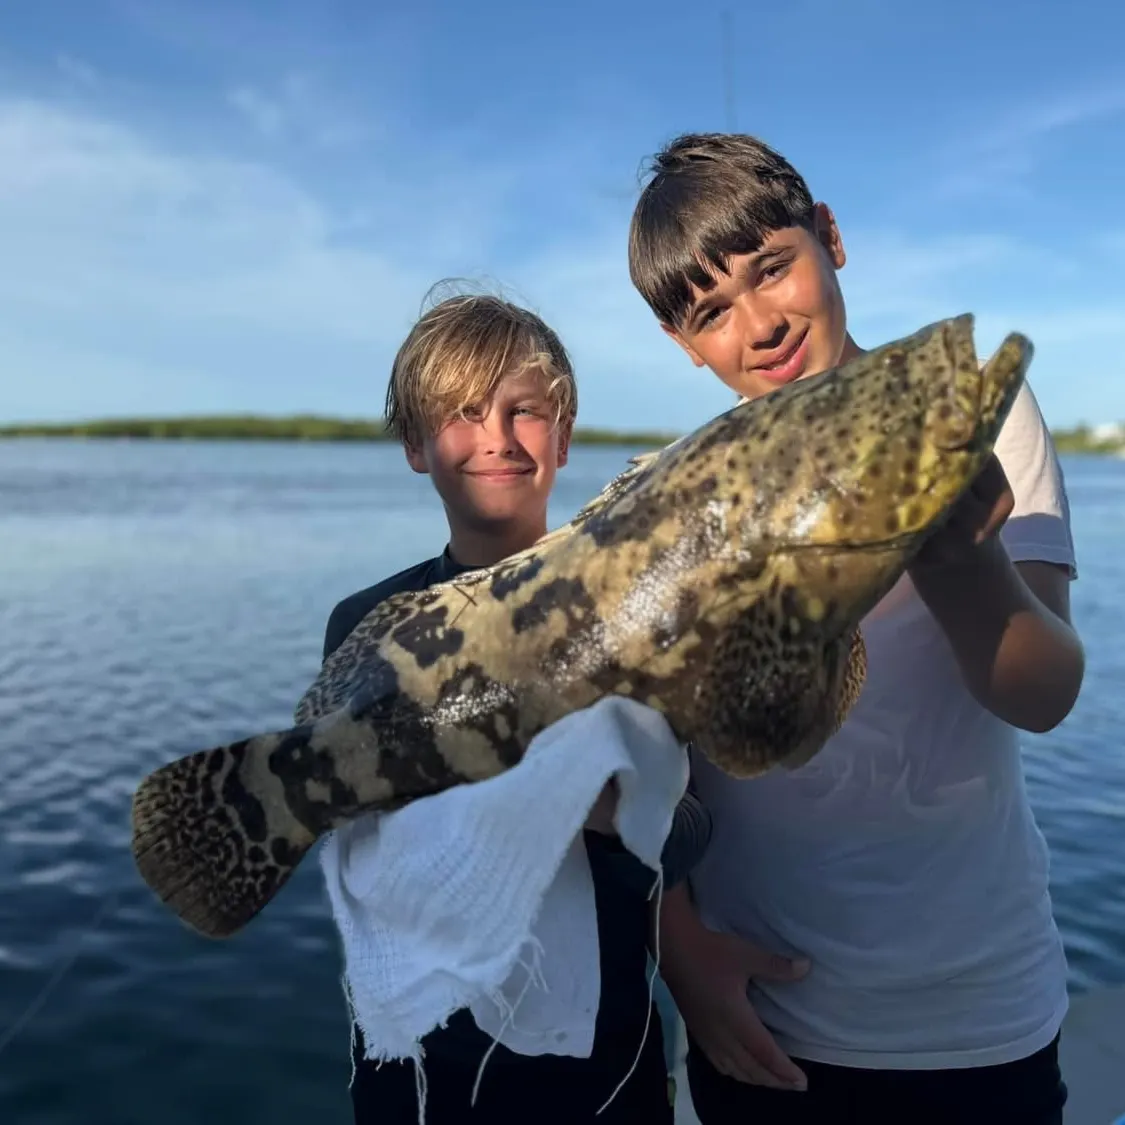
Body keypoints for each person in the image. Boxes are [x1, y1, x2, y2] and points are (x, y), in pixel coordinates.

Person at [625, 132, 1085, 1125]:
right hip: (762, 1024)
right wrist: (681, 952)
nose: (758, 326)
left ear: (829, 237)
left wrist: (960, 556)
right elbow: (627, 770)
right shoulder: (672, 501)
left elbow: (1043, 692)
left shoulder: (959, 406)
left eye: (773, 270)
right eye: (710, 313)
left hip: (977, 1017)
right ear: (681, 342)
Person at [318, 287, 711, 1125]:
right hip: (416, 1064)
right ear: (416, 446)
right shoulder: (366, 627)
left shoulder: (638, 615)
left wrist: (620, 815)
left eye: (523, 410)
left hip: (598, 1068)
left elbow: (686, 834)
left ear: (563, 437)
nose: (496, 437)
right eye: (461, 412)